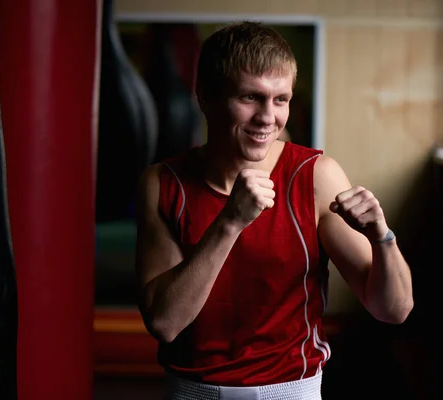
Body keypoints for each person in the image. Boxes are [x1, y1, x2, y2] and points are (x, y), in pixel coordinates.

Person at [134, 21, 414, 400]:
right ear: (205, 98)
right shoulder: (163, 183)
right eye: (250, 97)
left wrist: (382, 237)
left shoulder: (315, 176)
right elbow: (165, 323)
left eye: (280, 99)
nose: (268, 118)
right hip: (191, 392)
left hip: (291, 391)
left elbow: (393, 310)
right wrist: (230, 222)